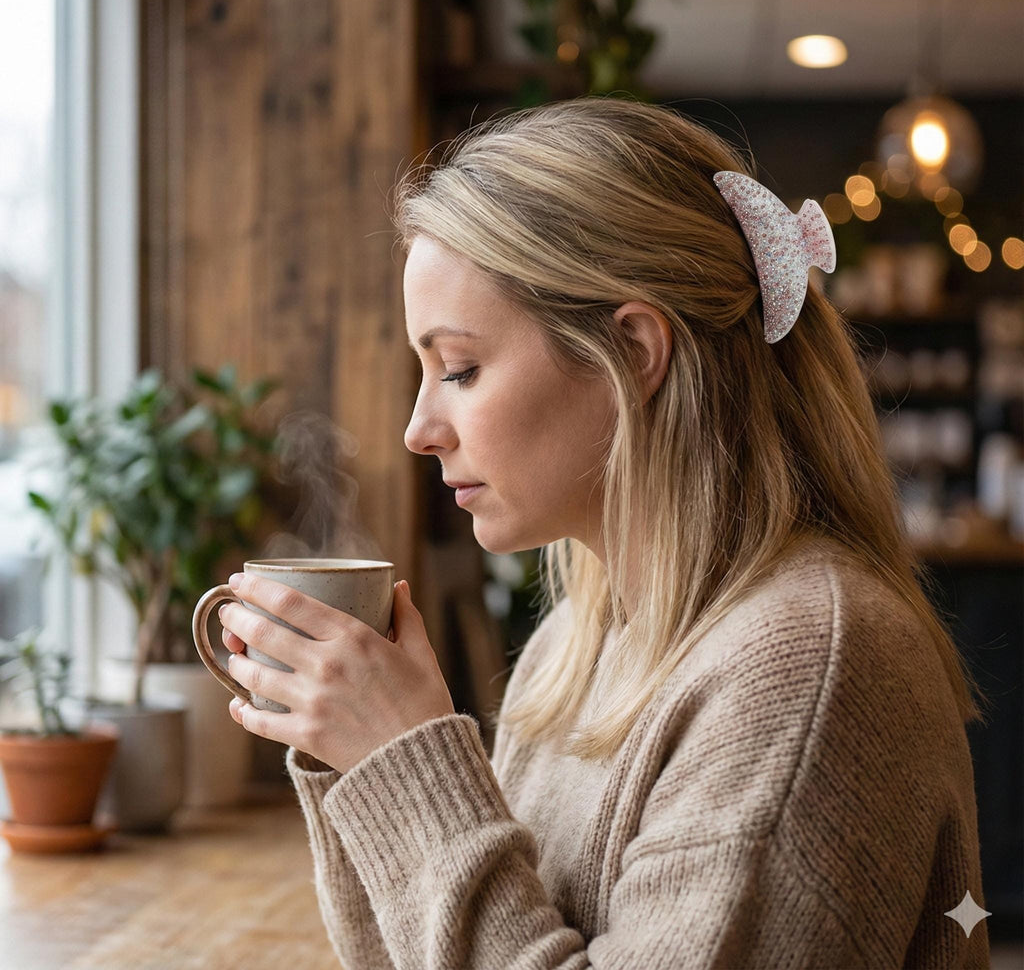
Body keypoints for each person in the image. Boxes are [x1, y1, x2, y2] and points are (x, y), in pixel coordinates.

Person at [218, 97, 990, 968]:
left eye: (462, 369)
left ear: (632, 351)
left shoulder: (810, 662)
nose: (418, 428)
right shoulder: (572, 650)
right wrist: (358, 763)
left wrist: (404, 760)